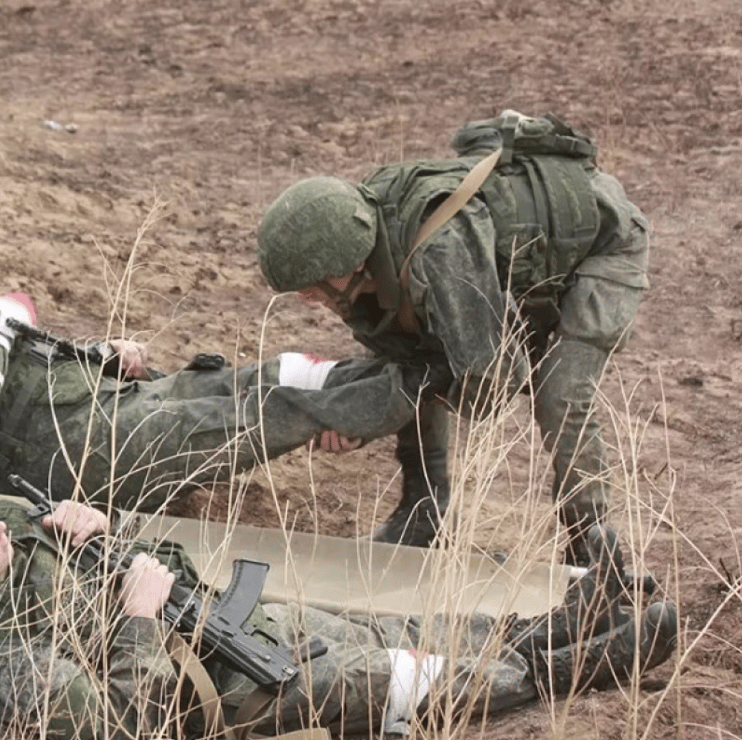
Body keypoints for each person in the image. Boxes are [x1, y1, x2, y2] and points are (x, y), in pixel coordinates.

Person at [0, 470, 678, 740]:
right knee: (397, 680)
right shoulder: (5, 660)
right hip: (234, 695)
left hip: (228, 622)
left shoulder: (4, 546)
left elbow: (155, 569)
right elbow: (119, 729)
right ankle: (562, 670)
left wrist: (112, 534)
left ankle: (566, 615)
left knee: (391, 627)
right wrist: (141, 621)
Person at [255, 112, 651, 565]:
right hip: (514, 263)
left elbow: (493, 381)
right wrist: (359, 425)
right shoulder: (363, 239)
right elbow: (407, 364)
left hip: (604, 245)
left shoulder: (437, 255)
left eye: (312, 284)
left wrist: (376, 413)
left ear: (347, 260)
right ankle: (424, 516)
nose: (307, 297)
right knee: (420, 365)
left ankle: (594, 549)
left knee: (559, 394)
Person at [0, 257, 443, 512]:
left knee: (287, 376)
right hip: (82, 456)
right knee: (284, 398)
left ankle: (407, 378)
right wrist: (0, 316)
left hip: (96, 405)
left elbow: (5, 363)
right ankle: (444, 375)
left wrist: (95, 354)